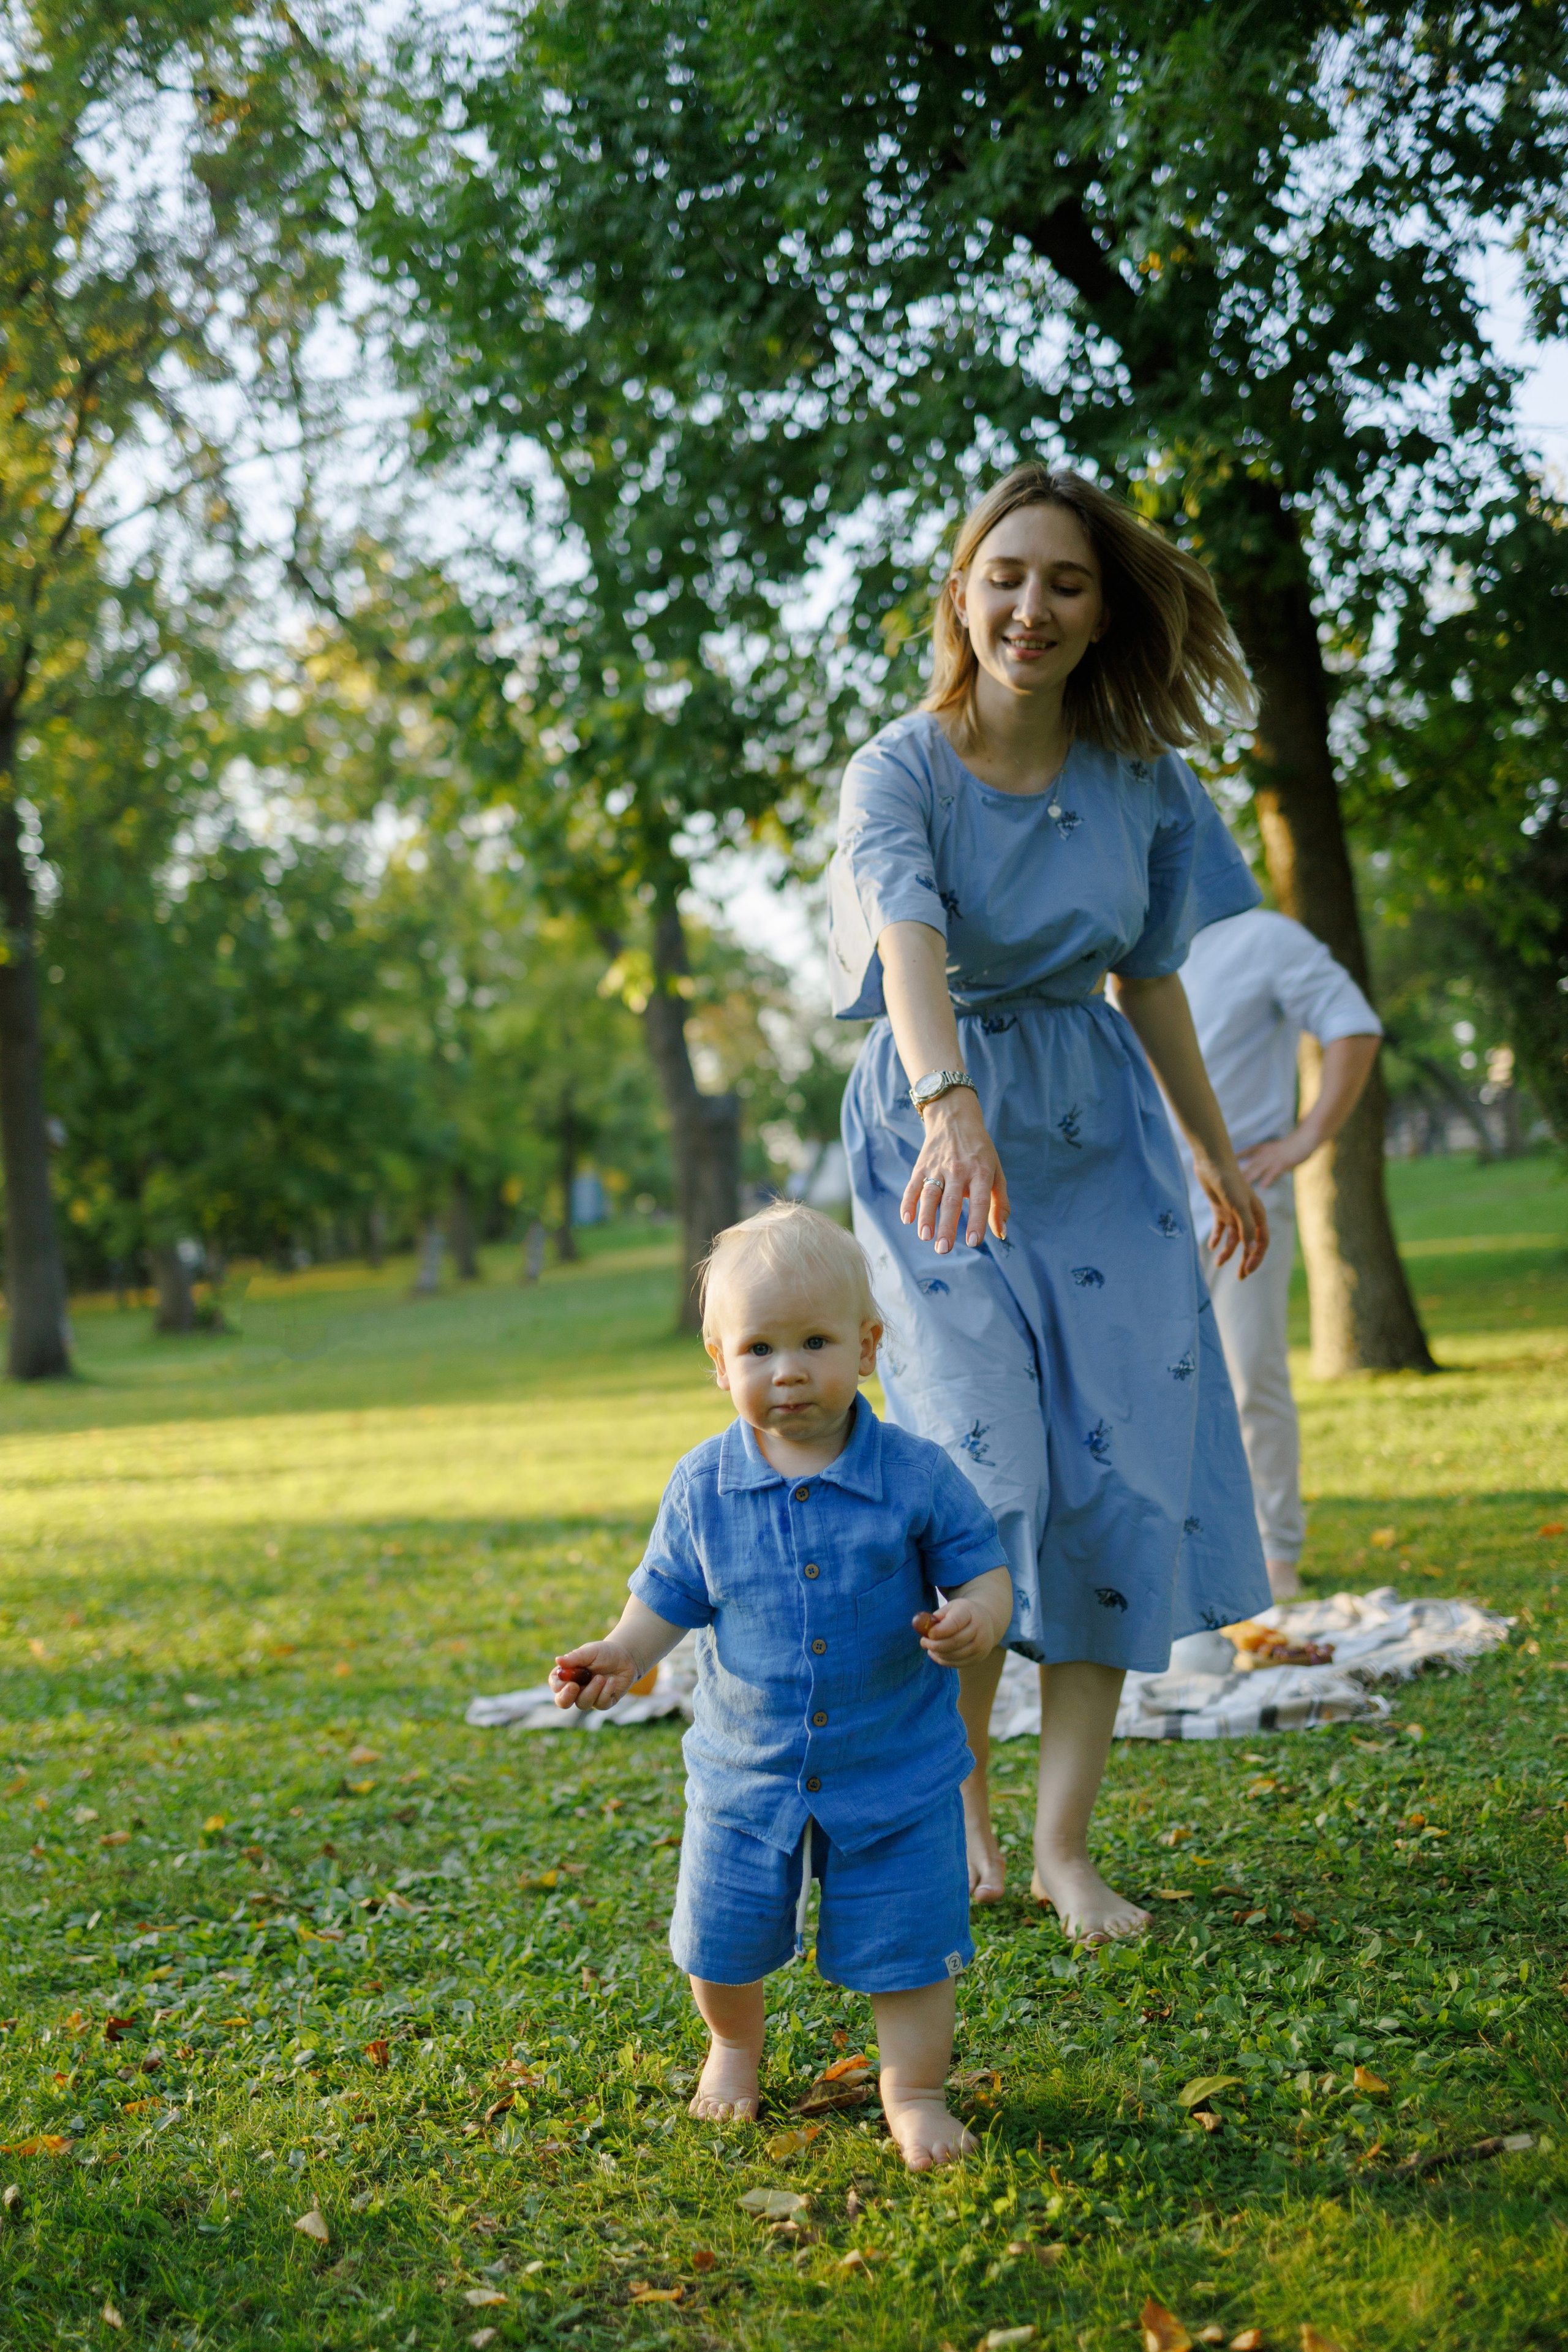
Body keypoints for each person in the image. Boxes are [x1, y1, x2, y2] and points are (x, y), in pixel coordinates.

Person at [830, 462, 1272, 1939]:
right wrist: (946, 1100)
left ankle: (1066, 1842)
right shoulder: (899, 763)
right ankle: (952, 1798)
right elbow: (906, 941)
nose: (1029, 604)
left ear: (1098, 616)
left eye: (1064, 583)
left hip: (1097, 1136)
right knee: (981, 1474)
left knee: (1114, 1479)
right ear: (961, 592)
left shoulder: (1142, 782)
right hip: (937, 1132)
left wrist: (1210, 1149)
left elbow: (1147, 977)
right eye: (1003, 574)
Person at [549, 1202, 1013, 2171]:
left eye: (815, 1341)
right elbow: (664, 1598)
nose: (788, 1369)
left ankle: (915, 2091)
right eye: (758, 1348)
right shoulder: (699, 1486)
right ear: (719, 1364)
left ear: (869, 1348)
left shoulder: (917, 1476)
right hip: (744, 1774)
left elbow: (982, 1570)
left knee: (911, 1942)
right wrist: (622, 1653)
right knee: (721, 1938)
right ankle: (732, 2048)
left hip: (895, 1769)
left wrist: (978, 1616)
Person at [1161, 908, 1381, 1602]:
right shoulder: (1120, 937)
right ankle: (1173, 1564)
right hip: (1135, 1208)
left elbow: (1354, 1024)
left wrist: (1303, 1139)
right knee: (1153, 1394)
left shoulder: (1264, 938)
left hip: (1242, 1199)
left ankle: (1275, 1557)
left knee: (1250, 1378)